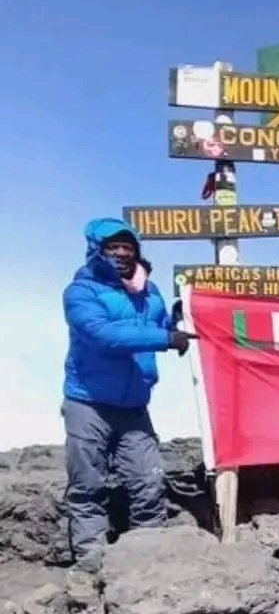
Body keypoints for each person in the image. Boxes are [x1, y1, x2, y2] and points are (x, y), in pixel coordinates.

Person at [62, 217, 193, 570]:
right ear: (97, 251)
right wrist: (166, 339)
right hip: (87, 402)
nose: (122, 253)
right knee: (88, 484)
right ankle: (92, 565)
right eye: (113, 247)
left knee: (148, 481)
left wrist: (178, 321)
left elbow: (161, 324)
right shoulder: (81, 292)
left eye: (128, 247)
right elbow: (105, 334)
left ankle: (149, 560)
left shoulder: (149, 292)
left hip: (135, 404)